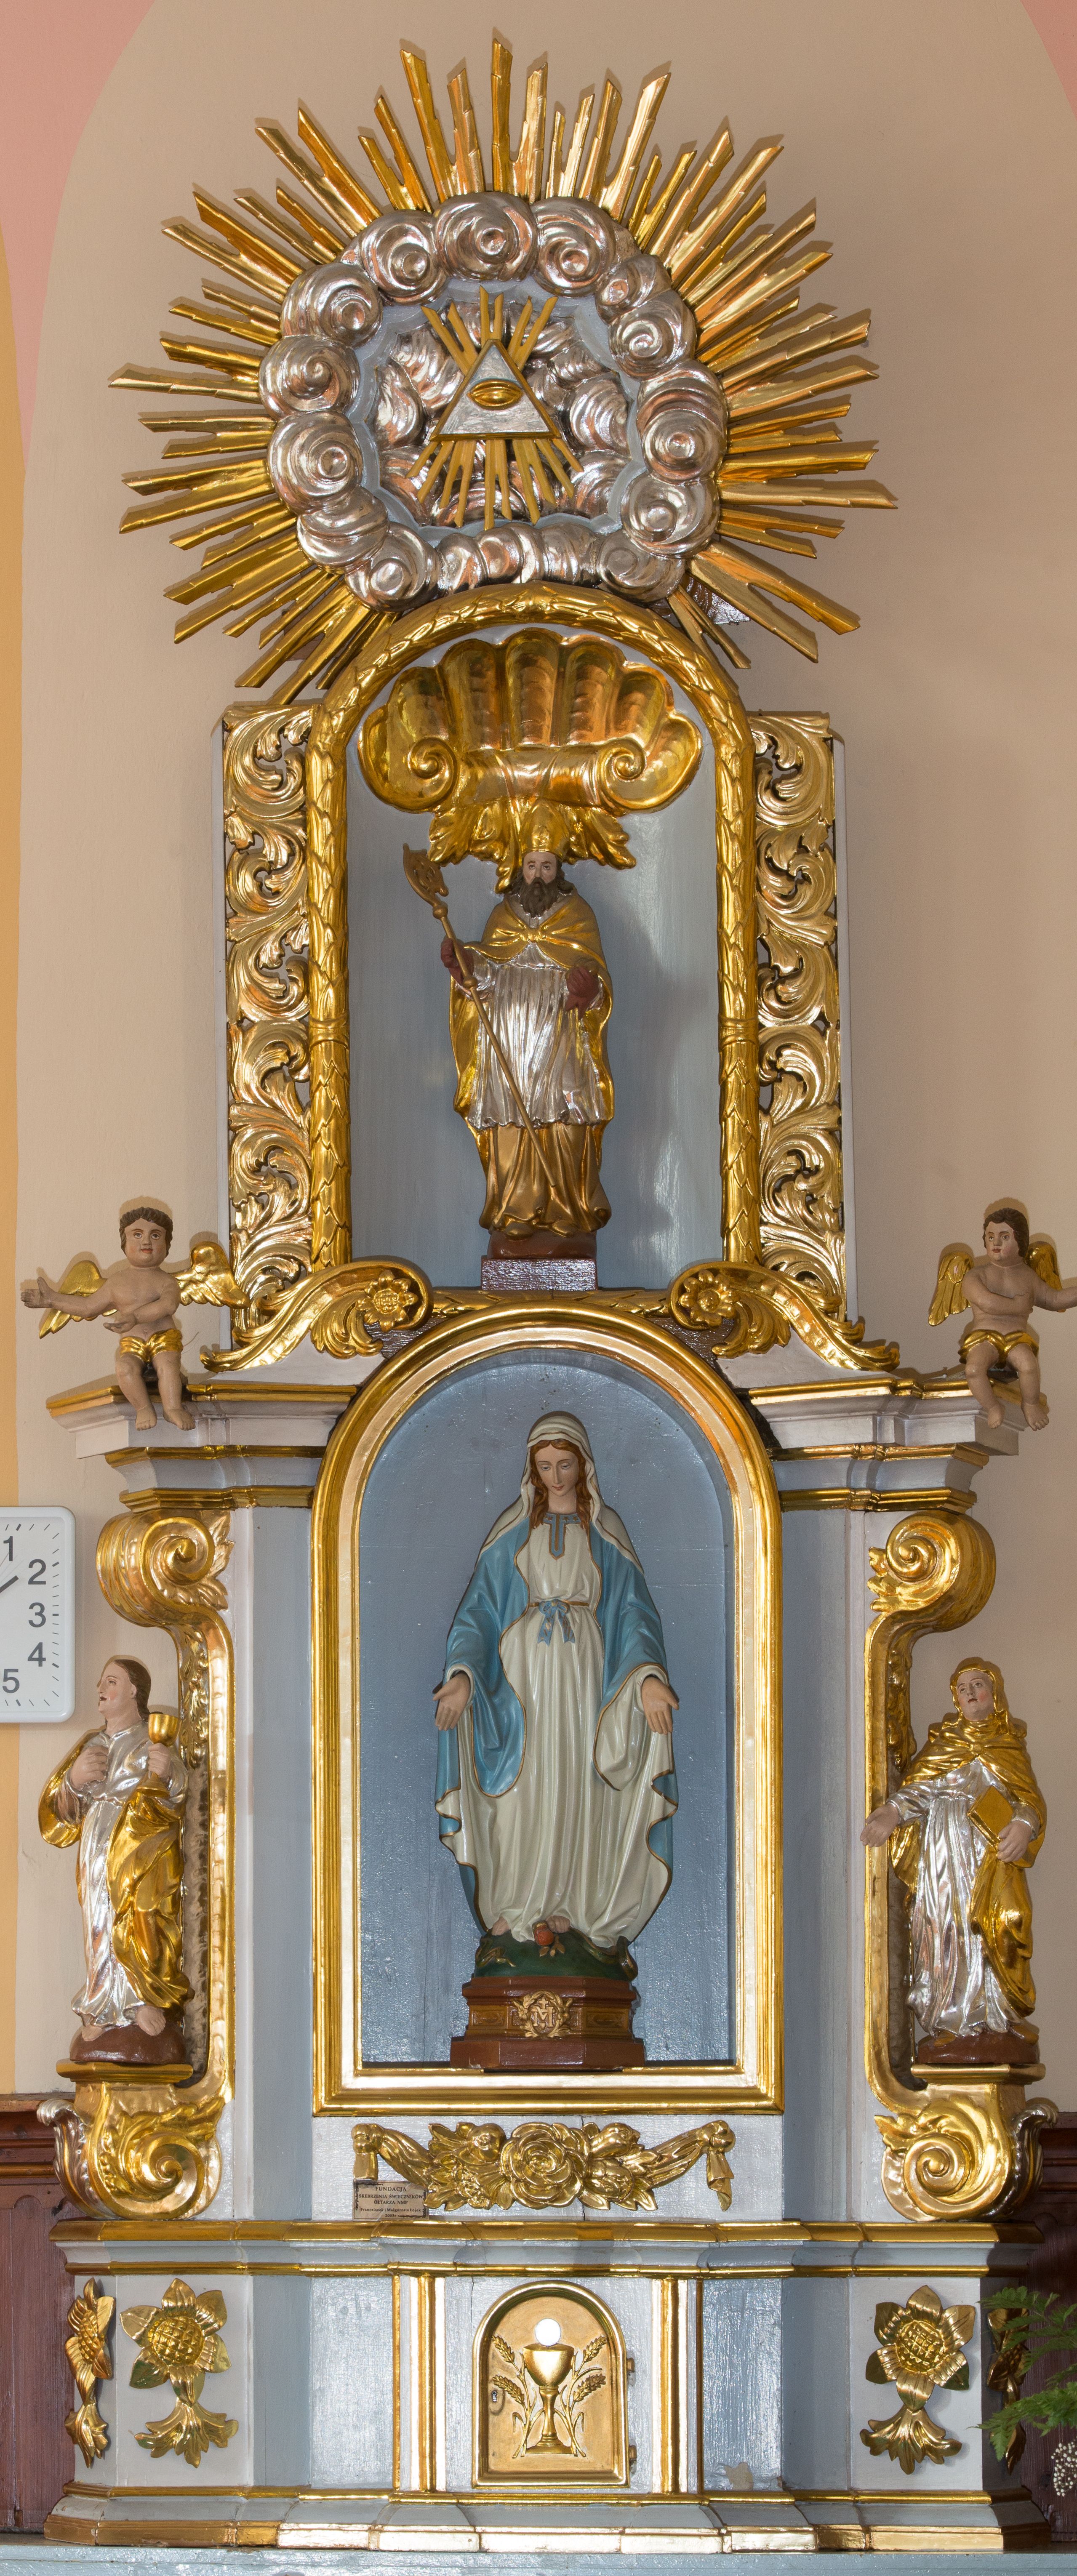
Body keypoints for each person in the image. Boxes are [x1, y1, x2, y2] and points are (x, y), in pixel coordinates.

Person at [432, 1412, 677, 1958]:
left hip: (585, 1672)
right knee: (527, 1787)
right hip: (521, 1677)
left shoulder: (604, 1530)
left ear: (583, 1465)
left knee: (576, 1781)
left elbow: (633, 1614)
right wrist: (463, 1676)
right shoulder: (513, 1530)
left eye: (564, 1464)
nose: (556, 1476)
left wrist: (646, 1678)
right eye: (544, 1466)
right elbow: (479, 1612)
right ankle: (516, 1903)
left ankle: (572, 1905)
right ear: (532, 1469)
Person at [440, 803, 613, 1245]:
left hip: (560, 1036)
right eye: (532, 866)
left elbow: (597, 979)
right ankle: (516, 1208)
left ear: (559, 870)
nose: (538, 875)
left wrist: (588, 990)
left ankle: (568, 1207)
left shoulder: (579, 915)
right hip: (511, 1041)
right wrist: (466, 966)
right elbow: (486, 978)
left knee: (567, 1115)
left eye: (546, 866)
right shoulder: (503, 917)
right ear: (521, 868)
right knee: (511, 1120)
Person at [861, 1658, 1044, 2062]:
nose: (971, 1693)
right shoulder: (944, 1742)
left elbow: (1028, 1799)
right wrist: (893, 1811)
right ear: (956, 1700)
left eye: (978, 1684)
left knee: (1003, 1922)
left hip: (993, 1851)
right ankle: (951, 2019)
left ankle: (1001, 2015)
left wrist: (1024, 1825)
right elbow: (921, 1789)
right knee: (947, 1928)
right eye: (963, 1688)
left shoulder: (1009, 1744)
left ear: (995, 1694)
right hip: (945, 1849)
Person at [39, 1655, 189, 2065]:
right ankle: (103, 2006)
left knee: (143, 1918)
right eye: (102, 1682)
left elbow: (180, 1795)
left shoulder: (151, 1738)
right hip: (98, 1843)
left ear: (134, 1691)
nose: (101, 1689)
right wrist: (74, 1781)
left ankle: (142, 1999)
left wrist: (168, 1774)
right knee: (99, 1922)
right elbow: (61, 1814)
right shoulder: (93, 1744)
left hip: (141, 1846)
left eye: (111, 1681)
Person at [21, 1198, 194, 1431]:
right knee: (125, 1369)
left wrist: (135, 1317)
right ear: (124, 1242)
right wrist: (51, 1300)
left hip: (164, 1339)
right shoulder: (117, 1282)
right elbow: (88, 1307)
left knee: (168, 1367)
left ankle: (172, 1408)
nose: (146, 1241)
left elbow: (168, 1306)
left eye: (155, 1235)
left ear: (167, 1244)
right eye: (137, 1235)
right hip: (132, 1342)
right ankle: (143, 1408)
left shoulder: (167, 1281)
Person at [930, 1200, 1077, 1431]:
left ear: (1021, 1241)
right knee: (974, 1369)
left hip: (1016, 1338)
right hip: (985, 1337)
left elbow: (1055, 1299)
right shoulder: (976, 1275)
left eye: (1005, 1237)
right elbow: (986, 1302)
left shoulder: (1028, 1277)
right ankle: (992, 1407)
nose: (996, 1243)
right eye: (990, 1237)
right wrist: (1017, 1306)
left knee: (1028, 1365)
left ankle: (1030, 1404)